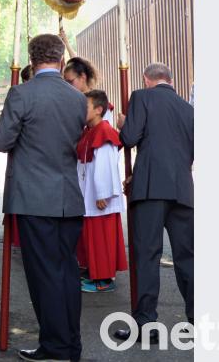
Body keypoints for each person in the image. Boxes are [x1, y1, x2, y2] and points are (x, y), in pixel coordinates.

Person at [0, 34, 87, 362]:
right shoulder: (77, 98)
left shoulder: (22, 93)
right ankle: (70, 343)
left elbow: (2, 141)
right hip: (68, 196)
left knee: (44, 274)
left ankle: (56, 346)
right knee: (67, 272)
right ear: (61, 60)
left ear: (32, 61)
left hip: (34, 197)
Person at [112, 63, 194, 344]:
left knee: (147, 256)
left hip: (150, 189)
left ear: (147, 80)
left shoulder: (141, 97)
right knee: (187, 257)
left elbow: (130, 138)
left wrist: (123, 124)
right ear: (169, 80)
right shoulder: (189, 109)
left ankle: (146, 324)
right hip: (182, 189)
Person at [76, 90, 128, 294]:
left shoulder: (104, 131)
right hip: (90, 194)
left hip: (100, 198)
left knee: (101, 239)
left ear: (98, 110)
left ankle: (104, 280)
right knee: (92, 236)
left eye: (85, 106)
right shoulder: (90, 130)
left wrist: (102, 194)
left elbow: (105, 166)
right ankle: (94, 272)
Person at [63, 56, 117, 126]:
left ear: (83, 77)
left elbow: (104, 130)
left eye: (70, 81)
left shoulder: (99, 103)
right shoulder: (68, 102)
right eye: (65, 82)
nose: (67, 85)